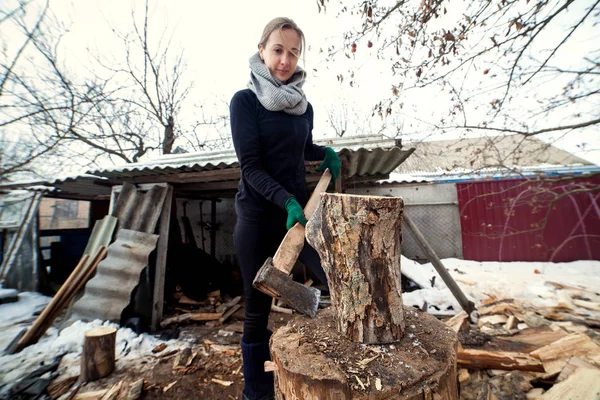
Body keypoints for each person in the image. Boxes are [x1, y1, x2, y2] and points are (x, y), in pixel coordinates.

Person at [230, 17, 341, 400]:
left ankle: (339, 374)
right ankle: (256, 393)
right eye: (278, 50)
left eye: (293, 52)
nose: (285, 60)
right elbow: (252, 167)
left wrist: (323, 153)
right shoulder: (245, 102)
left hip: (297, 220)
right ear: (262, 51)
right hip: (260, 219)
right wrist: (287, 200)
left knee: (335, 278)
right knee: (257, 309)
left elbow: (299, 150)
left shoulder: (302, 107)